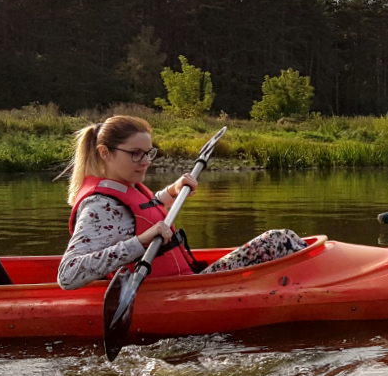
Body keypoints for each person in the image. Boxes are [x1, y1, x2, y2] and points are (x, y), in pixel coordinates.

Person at [58, 115, 307, 290]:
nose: (146, 161)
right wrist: (141, 242)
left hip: (186, 281)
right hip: (169, 293)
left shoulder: (126, 187)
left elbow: (139, 214)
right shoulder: (100, 207)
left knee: (287, 240)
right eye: (136, 154)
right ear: (105, 153)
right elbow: (68, 274)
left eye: (148, 153)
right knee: (279, 240)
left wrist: (171, 192)